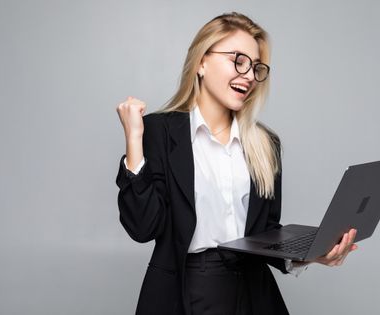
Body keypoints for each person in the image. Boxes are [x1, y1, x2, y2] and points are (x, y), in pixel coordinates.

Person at [115, 12, 358, 315]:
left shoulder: (265, 144)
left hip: (254, 293)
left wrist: (309, 254)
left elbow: (265, 231)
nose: (248, 75)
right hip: (188, 291)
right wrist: (134, 141)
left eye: (256, 68)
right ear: (202, 62)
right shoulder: (159, 132)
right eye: (238, 60)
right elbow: (143, 227)